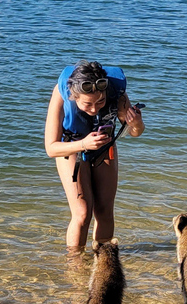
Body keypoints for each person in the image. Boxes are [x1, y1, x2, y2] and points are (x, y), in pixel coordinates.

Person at [44, 60, 145, 253]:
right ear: (74, 96)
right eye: (87, 104)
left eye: (100, 101)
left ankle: (105, 263)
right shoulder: (61, 92)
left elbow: (135, 132)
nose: (94, 109)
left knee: (104, 211)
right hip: (71, 147)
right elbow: (51, 148)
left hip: (104, 147)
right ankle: (76, 269)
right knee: (82, 213)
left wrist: (137, 123)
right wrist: (83, 144)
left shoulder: (117, 93)